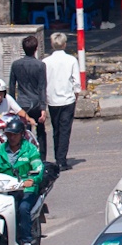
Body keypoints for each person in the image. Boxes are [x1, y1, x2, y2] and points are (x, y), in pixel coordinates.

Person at [0, 115, 47, 245]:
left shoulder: (30, 149)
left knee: (23, 208)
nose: (11, 138)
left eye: (14, 135)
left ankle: (26, 242)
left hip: (26, 190)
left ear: (21, 135)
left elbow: (38, 168)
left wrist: (32, 179)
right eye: (9, 135)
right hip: (4, 190)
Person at [44, 32, 81, 169]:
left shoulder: (46, 62)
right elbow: (76, 82)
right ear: (64, 44)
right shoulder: (71, 60)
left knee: (56, 130)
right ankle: (61, 159)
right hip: (68, 99)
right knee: (65, 130)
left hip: (52, 100)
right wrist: (75, 96)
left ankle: (57, 156)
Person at [9, 35, 48, 150]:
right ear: (36, 49)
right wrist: (43, 108)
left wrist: (12, 106)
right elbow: (42, 87)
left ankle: (25, 155)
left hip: (22, 103)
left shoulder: (16, 65)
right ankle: (41, 157)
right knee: (40, 131)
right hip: (36, 103)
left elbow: (11, 86)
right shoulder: (40, 65)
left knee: (24, 132)